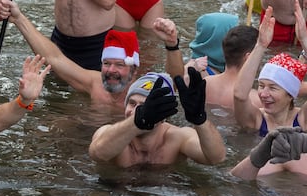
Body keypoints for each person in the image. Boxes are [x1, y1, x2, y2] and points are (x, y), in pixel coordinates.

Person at [0, 1, 180, 113]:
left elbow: (177, 82)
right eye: (107, 64)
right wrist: (18, 18)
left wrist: (172, 44)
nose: (111, 71)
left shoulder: (145, 89)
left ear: (134, 69)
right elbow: (55, 58)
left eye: (120, 65)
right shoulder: (94, 83)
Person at [90, 69, 225, 167]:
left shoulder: (177, 138)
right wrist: (137, 121)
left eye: (145, 106)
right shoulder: (112, 134)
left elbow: (215, 158)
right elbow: (97, 154)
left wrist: (199, 118)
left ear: (164, 116)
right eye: (132, 103)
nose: (136, 111)